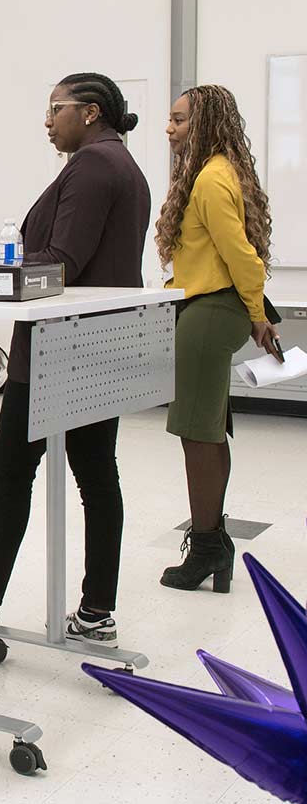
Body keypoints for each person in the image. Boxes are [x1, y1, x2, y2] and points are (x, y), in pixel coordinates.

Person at [0, 72, 149, 647]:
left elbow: (59, 262)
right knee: (97, 476)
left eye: (55, 109)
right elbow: (60, 257)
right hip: (101, 343)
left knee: (12, 473)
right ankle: (96, 615)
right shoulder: (121, 165)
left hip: (59, 349)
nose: (47, 120)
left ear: (89, 112)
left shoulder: (92, 167)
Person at [158, 84, 276, 594]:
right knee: (209, 428)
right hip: (213, 307)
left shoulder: (209, 178)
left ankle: (206, 547)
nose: (170, 128)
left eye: (180, 120)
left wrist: (257, 315)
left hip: (211, 311)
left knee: (196, 434)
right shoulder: (222, 170)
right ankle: (215, 539)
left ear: (204, 124)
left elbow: (243, 257)